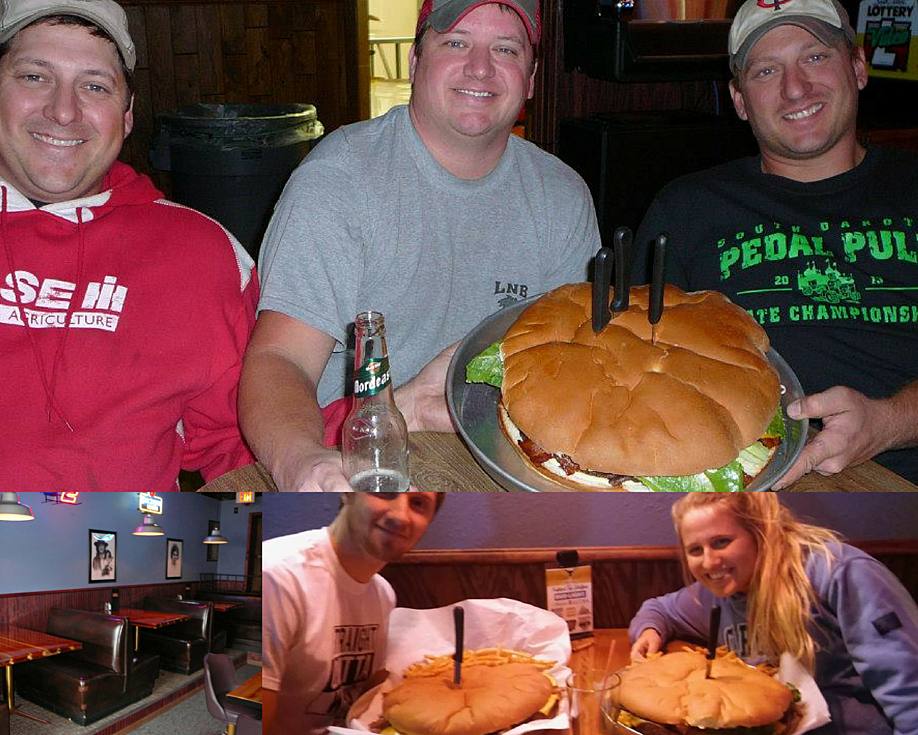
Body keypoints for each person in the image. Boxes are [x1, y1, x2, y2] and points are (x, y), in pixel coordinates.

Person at [239, 0, 600, 492]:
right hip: (359, 461)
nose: (481, 66)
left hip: (508, 459)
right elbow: (280, 359)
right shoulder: (338, 178)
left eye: (506, 49)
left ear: (531, 79)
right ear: (414, 62)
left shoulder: (563, 196)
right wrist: (304, 463)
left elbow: (572, 365)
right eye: (456, 42)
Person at [0, 0, 259, 490]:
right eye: (34, 77)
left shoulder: (200, 253)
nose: (63, 111)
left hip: (115, 557)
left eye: (94, 86)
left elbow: (246, 445)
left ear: (127, 115)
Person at [631, 0, 918, 488]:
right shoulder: (687, 208)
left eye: (814, 57)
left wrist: (887, 423)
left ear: (858, 66)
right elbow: (634, 363)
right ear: (740, 101)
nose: (795, 88)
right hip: (740, 484)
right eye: (767, 70)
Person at [629, 494, 918, 735]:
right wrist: (649, 631)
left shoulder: (839, 573)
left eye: (721, 542)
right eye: (695, 549)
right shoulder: (713, 595)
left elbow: (909, 695)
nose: (709, 561)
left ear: (759, 533)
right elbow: (659, 609)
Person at [260, 491, 443, 735]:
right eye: (384, 491)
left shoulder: (383, 594)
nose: (401, 515)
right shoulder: (277, 577)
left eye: (418, 503)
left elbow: (370, 692)